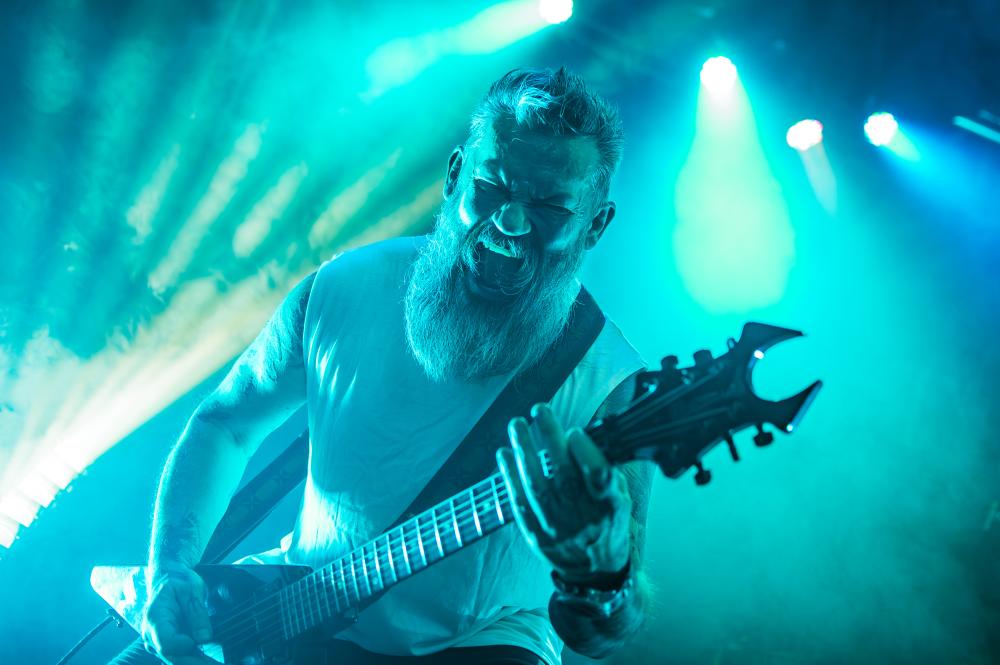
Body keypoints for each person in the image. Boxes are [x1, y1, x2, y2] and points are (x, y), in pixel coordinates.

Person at [138, 67, 653, 665]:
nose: (511, 222)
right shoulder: (338, 289)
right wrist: (169, 569)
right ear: (455, 176)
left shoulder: (612, 386)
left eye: (550, 207)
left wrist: (601, 574)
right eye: (492, 187)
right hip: (294, 611)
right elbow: (224, 425)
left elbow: (609, 632)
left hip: (484, 641)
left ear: (595, 225)